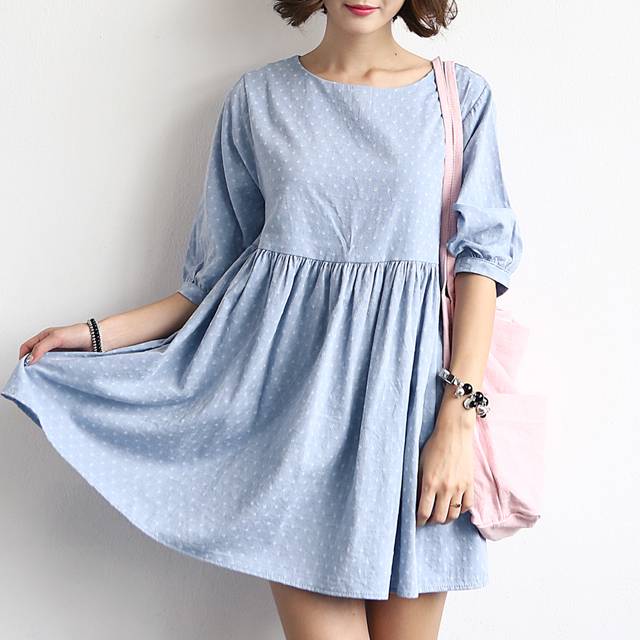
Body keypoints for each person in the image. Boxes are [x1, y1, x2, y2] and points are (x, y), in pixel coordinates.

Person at [2, 1, 523, 638]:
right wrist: (92, 336)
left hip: (416, 413)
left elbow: (480, 265)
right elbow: (213, 280)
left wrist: (456, 424)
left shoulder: (458, 96)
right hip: (294, 418)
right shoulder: (259, 98)